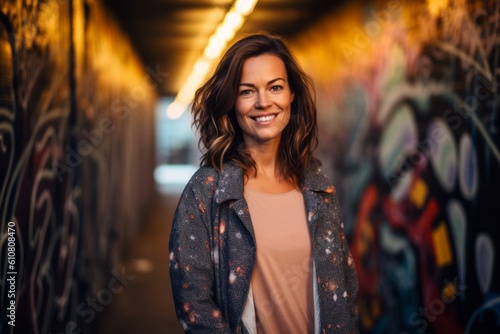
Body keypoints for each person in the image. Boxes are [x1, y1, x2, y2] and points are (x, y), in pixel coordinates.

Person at [168, 32, 359, 334]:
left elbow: (345, 286)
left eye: (275, 87)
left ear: (291, 94)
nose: (263, 102)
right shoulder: (208, 190)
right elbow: (194, 303)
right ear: (231, 101)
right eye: (246, 91)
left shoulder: (317, 186)